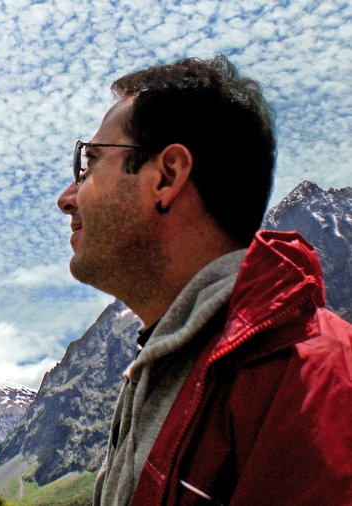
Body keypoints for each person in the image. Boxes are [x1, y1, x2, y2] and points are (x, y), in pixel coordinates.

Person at [57, 55, 352, 505]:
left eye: (90, 163)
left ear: (167, 176)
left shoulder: (318, 383)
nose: (67, 198)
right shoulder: (166, 369)